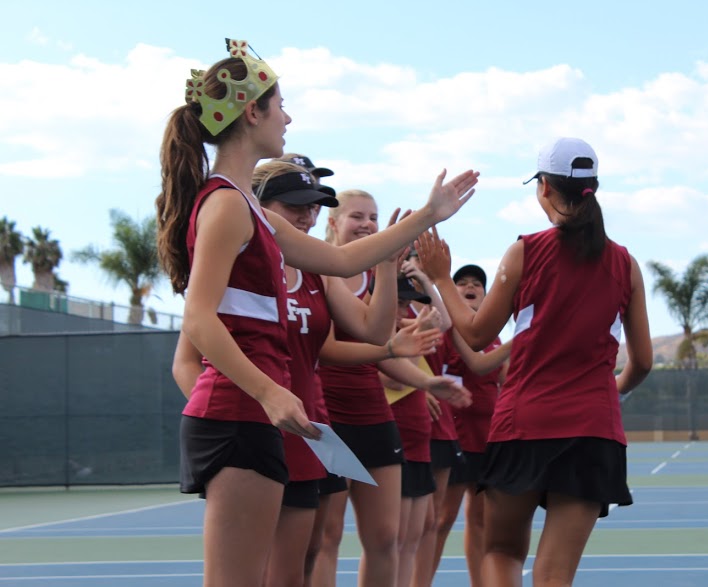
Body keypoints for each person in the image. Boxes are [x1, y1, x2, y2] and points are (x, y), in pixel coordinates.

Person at [155, 38, 478, 586]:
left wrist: (428, 214)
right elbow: (199, 319)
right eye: (280, 105)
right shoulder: (229, 204)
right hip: (237, 413)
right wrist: (267, 389)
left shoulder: (248, 207)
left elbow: (340, 257)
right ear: (252, 111)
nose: (288, 117)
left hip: (255, 415)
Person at [417, 137, 652, 587]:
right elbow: (642, 362)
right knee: (555, 574)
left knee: (502, 551)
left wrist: (443, 278)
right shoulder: (626, 264)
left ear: (543, 187)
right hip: (592, 430)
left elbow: (476, 333)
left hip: (524, 424)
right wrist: (610, 390)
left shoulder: (526, 251)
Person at [313, 190, 471, 586]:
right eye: (356, 216)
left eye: (373, 216)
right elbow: (345, 348)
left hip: (371, 413)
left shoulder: (376, 274)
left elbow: (380, 345)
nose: (366, 224)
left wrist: (426, 382)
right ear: (332, 223)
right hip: (325, 416)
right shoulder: (317, 269)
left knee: (386, 536)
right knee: (326, 535)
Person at [429, 264, 511, 587]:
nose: (469, 286)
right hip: (452, 436)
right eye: (461, 282)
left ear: (485, 294)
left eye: (476, 283)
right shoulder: (446, 330)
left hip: (486, 438)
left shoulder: (494, 336)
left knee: (478, 521)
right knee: (441, 519)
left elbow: (508, 376)